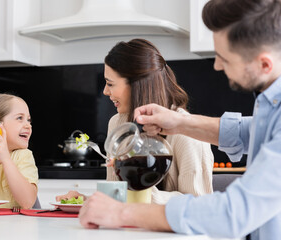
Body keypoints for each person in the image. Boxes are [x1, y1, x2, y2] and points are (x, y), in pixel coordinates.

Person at [78, 0, 281, 239]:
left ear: (264, 64)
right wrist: (180, 123)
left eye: (224, 59)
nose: (216, 66)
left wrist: (124, 212)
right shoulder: (270, 102)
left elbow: (232, 214)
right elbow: (248, 132)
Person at [57, 38, 214, 203]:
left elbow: (200, 205)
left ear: (136, 85)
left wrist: (140, 193)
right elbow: (118, 196)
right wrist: (87, 200)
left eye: (110, 84)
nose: (105, 91)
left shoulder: (186, 131)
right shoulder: (118, 124)